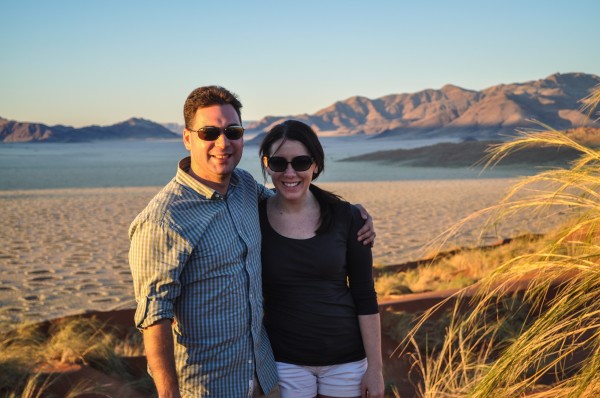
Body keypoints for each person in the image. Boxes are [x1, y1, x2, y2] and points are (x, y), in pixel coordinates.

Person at [129, 86, 375, 398]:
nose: (223, 143)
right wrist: (168, 394)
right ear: (188, 138)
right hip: (212, 387)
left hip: (266, 378)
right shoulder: (164, 220)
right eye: (209, 132)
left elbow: (291, 201)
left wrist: (349, 213)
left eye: (233, 131)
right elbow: (154, 314)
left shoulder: (244, 186)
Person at [258, 120, 384, 398]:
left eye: (301, 162)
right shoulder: (252, 218)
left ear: (315, 164)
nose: (290, 173)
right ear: (267, 164)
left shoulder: (348, 217)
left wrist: (375, 368)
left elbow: (365, 295)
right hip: (284, 361)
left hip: (347, 362)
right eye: (279, 163)